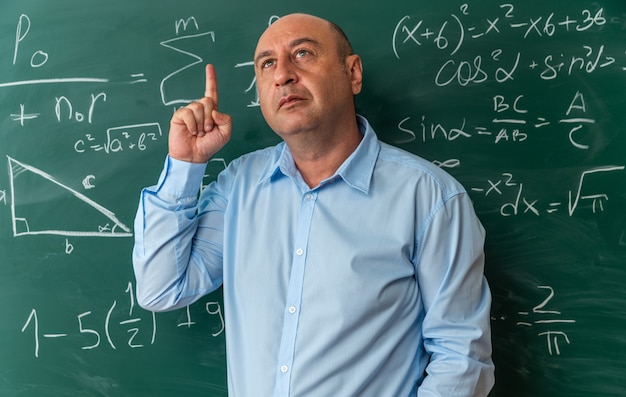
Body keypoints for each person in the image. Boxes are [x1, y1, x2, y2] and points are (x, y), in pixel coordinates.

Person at [133, 13, 495, 397]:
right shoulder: (239, 185)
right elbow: (162, 289)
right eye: (267, 63)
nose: (282, 75)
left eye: (302, 54)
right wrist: (185, 166)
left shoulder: (430, 198)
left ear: (352, 73)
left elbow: (461, 358)